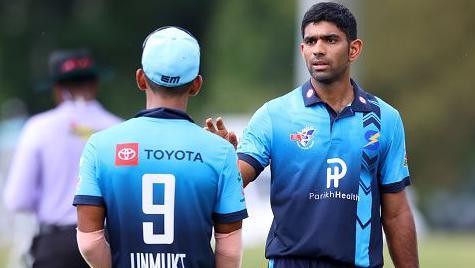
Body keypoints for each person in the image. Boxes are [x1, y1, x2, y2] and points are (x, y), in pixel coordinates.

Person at [206, 2, 419, 268]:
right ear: (302, 49)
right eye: (311, 41)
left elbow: (397, 213)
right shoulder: (273, 115)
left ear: (354, 49)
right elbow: (234, 183)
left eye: (330, 40)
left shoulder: (385, 119)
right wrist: (221, 160)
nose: (318, 49)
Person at [73, 26, 248, 268]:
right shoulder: (220, 151)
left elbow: (90, 242)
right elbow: (229, 250)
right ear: (196, 85)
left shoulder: (100, 145)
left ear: (140, 78)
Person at [3, 49, 121, 268]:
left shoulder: (38, 128)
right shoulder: (118, 129)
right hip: (106, 243)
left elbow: (17, 199)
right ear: (95, 84)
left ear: (57, 89)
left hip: (55, 245)